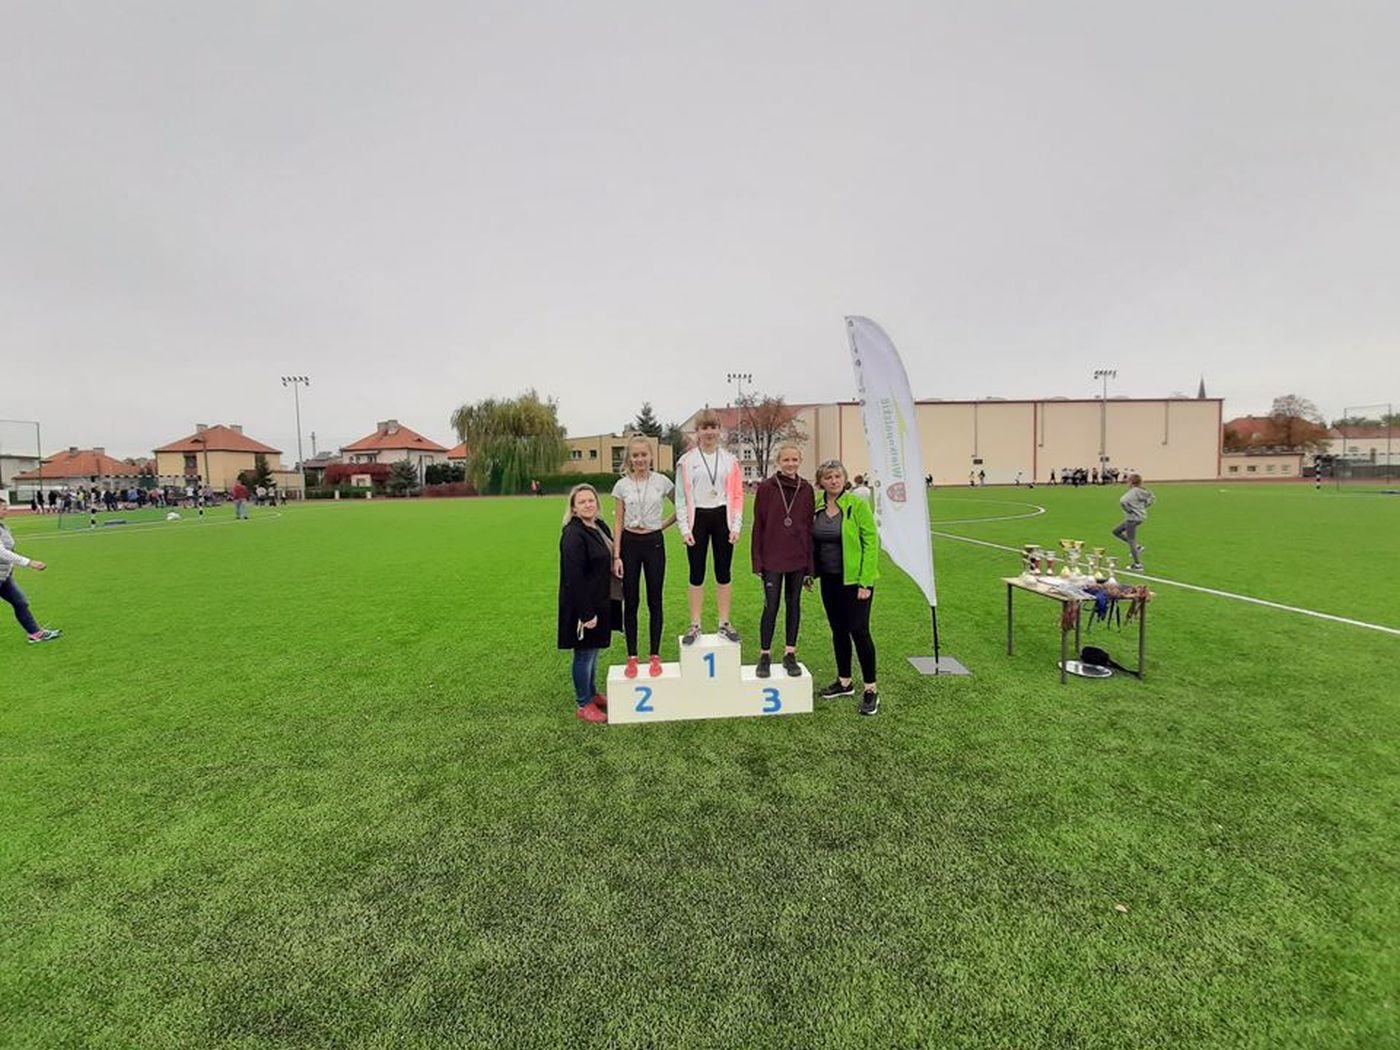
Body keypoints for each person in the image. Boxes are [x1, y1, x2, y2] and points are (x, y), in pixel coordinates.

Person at [811, 460, 880, 716]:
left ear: (844, 478)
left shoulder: (857, 505)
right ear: (821, 481)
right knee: (838, 631)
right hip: (829, 580)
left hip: (855, 581)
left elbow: (870, 542)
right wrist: (810, 572)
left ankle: (871, 689)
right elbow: (811, 542)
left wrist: (865, 581)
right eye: (828, 477)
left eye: (837, 476)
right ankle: (844, 682)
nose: (834, 481)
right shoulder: (816, 507)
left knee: (859, 631)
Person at [673, 410, 744, 644]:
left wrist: (736, 525)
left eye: (713, 427)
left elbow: (737, 496)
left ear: (719, 430)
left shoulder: (730, 460)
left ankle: (724, 623)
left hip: (723, 517)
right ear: (697, 431)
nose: (709, 432)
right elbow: (681, 498)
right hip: (698, 520)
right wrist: (685, 529)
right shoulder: (686, 461)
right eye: (704, 428)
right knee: (696, 573)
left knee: (723, 573)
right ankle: (695, 625)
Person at [611, 436, 675, 679]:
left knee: (654, 600)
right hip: (629, 544)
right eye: (635, 455)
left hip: (654, 543)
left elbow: (681, 506)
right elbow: (618, 521)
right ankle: (632, 656)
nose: (640, 459)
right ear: (629, 458)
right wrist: (617, 555)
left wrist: (661, 525)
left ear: (651, 456)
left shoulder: (662, 482)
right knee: (631, 601)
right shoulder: (622, 486)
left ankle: (655, 655)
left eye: (643, 455)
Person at [751, 443, 815, 679]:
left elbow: (809, 528)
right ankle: (765, 655)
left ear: (800, 461)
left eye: (794, 460)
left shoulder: (806, 489)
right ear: (778, 462)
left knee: (793, 604)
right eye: (786, 460)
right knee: (771, 606)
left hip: (798, 558)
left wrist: (810, 566)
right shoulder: (766, 488)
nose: (790, 464)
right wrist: (757, 561)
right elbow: (759, 525)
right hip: (772, 558)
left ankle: (790, 654)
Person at [557, 484, 619, 723]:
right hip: (582, 604)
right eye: (582, 502)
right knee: (583, 654)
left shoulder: (599, 526)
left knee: (593, 650)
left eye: (591, 500)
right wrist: (585, 613)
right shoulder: (573, 534)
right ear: (574, 508)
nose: (588, 505)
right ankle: (583, 703)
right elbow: (573, 577)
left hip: (600, 599)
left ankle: (592, 693)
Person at [0, 499, 61, 644]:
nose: (6, 510)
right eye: (3, 508)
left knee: (20, 602)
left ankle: (35, 633)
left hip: (4, 575)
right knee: (20, 602)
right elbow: (1, 552)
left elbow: (8, 550)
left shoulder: (3, 527)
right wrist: (29, 562)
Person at [1112, 473, 1155, 571]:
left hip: (1132, 518)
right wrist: (1144, 506)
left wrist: (1129, 510)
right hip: (1140, 517)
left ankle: (1137, 565)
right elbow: (1152, 497)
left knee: (1131, 539)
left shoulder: (1132, 492)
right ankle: (1137, 547)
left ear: (1131, 482)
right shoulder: (1143, 490)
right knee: (1116, 531)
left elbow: (1123, 501)